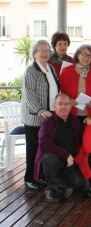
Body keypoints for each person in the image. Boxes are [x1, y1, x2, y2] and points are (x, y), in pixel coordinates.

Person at [21, 40, 59, 191]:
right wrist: (40, 110)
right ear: (34, 53)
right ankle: (29, 178)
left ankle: (40, 176)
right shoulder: (31, 71)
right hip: (35, 118)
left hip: (50, 117)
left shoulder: (51, 68)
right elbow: (29, 94)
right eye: (41, 50)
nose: (44, 53)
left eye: (47, 50)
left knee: (44, 148)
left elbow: (56, 90)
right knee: (33, 149)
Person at [34, 93, 85, 203]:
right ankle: (52, 188)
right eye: (60, 103)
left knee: (79, 182)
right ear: (54, 106)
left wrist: (89, 122)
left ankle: (58, 180)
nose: (63, 107)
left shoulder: (75, 120)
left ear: (71, 106)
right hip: (55, 159)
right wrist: (66, 155)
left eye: (67, 104)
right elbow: (44, 144)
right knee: (49, 157)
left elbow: (81, 139)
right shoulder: (48, 122)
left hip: (70, 162)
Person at [60, 44, 91, 124]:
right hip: (70, 113)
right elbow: (61, 91)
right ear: (78, 55)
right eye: (84, 54)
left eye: (89, 55)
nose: (86, 57)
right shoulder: (66, 71)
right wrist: (68, 100)